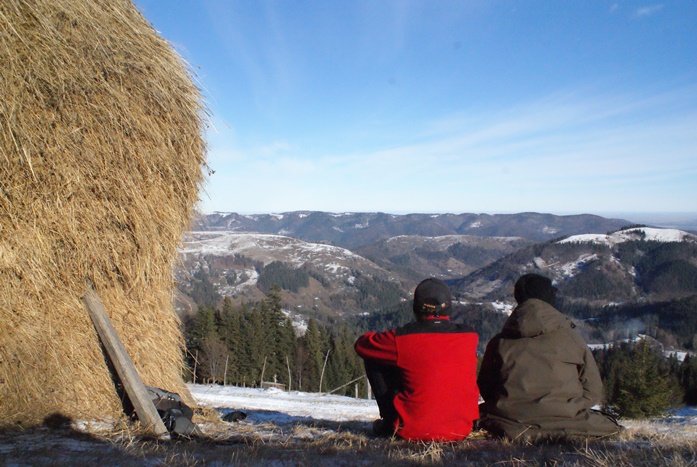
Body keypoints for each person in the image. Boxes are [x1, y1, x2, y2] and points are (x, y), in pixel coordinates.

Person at [477, 273, 622, 440]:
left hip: (510, 421)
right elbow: (593, 390)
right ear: (548, 298)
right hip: (567, 417)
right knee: (609, 425)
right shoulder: (570, 337)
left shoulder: (499, 342)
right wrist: (572, 407)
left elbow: (486, 385)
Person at [354, 278, 479, 441]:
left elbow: (362, 345)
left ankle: (389, 423)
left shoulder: (403, 338)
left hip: (412, 430)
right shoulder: (469, 336)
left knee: (374, 357)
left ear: (416, 308)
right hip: (461, 429)